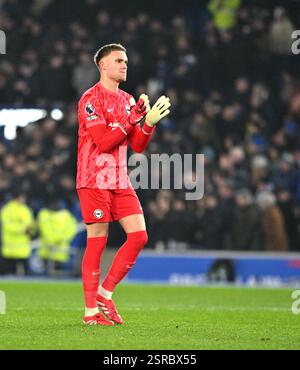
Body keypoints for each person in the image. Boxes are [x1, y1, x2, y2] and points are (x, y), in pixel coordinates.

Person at [76, 43, 171, 326]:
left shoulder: (129, 100)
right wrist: (127, 121)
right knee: (97, 242)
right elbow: (104, 142)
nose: (124, 65)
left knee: (139, 236)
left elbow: (138, 146)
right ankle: (90, 312)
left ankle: (105, 294)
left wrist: (148, 123)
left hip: (118, 179)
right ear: (102, 65)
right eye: (118, 60)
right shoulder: (90, 99)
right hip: (93, 178)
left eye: (126, 61)